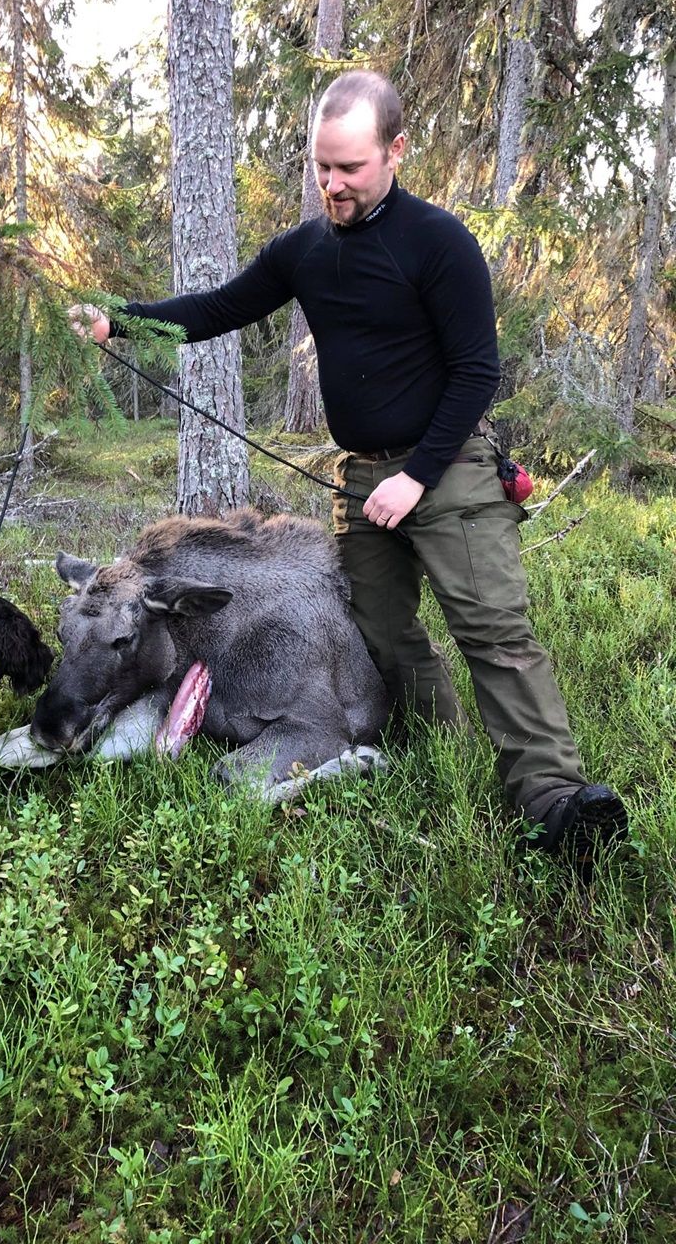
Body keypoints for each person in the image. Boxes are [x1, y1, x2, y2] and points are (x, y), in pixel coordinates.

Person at [69, 69, 627, 876]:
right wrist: (118, 321)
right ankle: (435, 751)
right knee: (383, 632)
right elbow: (216, 309)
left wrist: (420, 475)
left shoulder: (440, 244)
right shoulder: (304, 252)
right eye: (320, 166)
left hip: (452, 468)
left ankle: (556, 804)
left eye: (350, 168)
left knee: (496, 637)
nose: (332, 183)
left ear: (395, 151)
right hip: (364, 478)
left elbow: (477, 372)